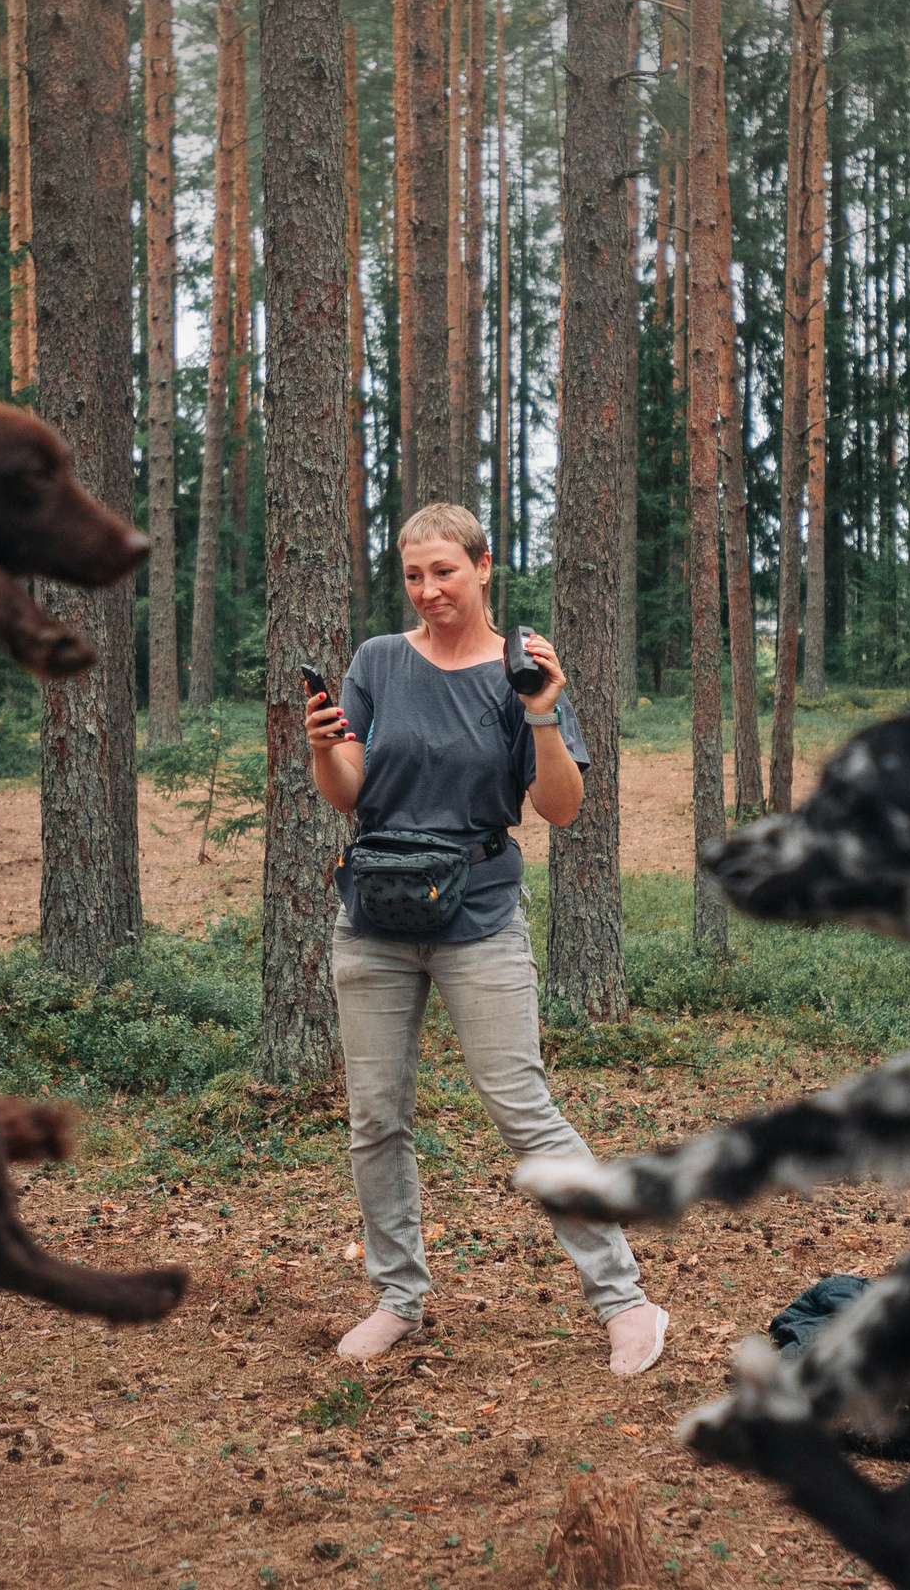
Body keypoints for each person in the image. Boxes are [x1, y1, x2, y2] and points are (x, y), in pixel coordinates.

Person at [306, 503, 669, 1374]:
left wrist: (543, 714)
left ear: (483, 565)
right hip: (375, 915)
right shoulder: (377, 663)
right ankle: (398, 1297)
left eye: (445, 572)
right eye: (414, 576)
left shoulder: (520, 670)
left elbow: (560, 808)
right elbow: (350, 793)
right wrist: (322, 748)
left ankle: (625, 1301)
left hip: (478, 917)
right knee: (376, 1118)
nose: (430, 591)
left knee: (522, 1107)